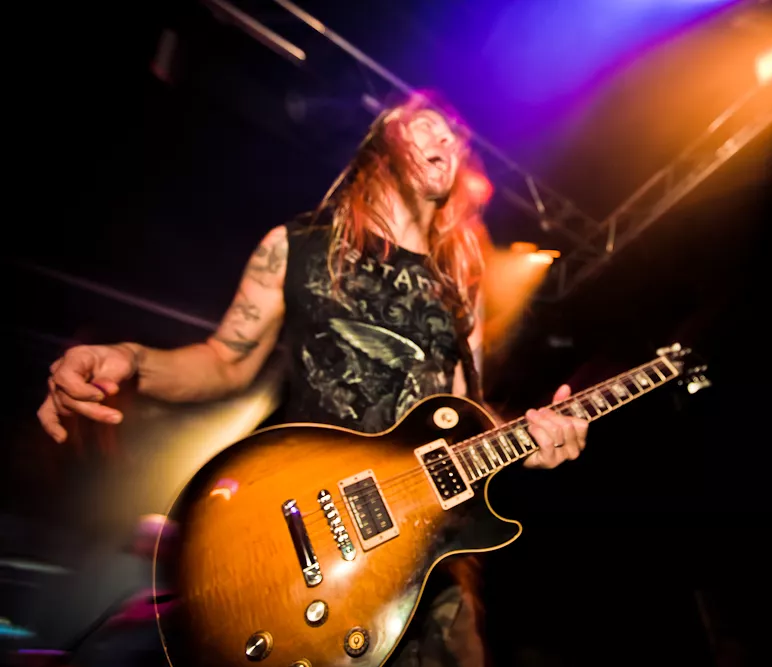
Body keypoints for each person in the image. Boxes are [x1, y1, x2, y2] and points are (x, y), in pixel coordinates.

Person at [36, 91, 589, 667]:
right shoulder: (296, 245)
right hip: (308, 532)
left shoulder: (459, 285)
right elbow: (225, 361)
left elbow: (460, 413)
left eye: (456, 139)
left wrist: (531, 440)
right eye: (427, 125)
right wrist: (132, 359)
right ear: (381, 143)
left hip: (424, 565)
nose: (447, 140)